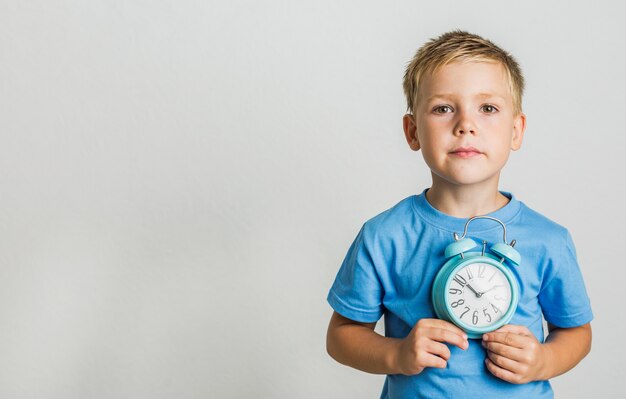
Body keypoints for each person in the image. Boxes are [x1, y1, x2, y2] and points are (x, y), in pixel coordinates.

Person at [325, 30, 593, 398]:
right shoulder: (384, 236)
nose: (465, 124)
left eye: (488, 108)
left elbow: (577, 331)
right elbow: (341, 336)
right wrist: (398, 354)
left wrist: (544, 361)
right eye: (443, 108)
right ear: (413, 130)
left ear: (516, 130)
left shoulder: (549, 239)